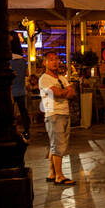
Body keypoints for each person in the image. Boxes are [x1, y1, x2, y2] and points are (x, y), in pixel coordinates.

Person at [39, 51, 75, 185]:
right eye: (51, 59)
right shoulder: (44, 79)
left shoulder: (61, 77)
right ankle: (59, 176)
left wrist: (64, 92)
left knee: (55, 144)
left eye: (56, 59)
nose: (55, 62)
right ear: (45, 63)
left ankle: (52, 173)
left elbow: (72, 92)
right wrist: (65, 92)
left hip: (64, 113)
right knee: (58, 145)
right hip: (54, 114)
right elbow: (58, 93)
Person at [8, 34, 31, 140]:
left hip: (11, 91)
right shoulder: (22, 60)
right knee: (23, 111)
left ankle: (11, 130)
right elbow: (27, 74)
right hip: (21, 90)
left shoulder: (8, 61)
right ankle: (27, 130)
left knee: (10, 112)